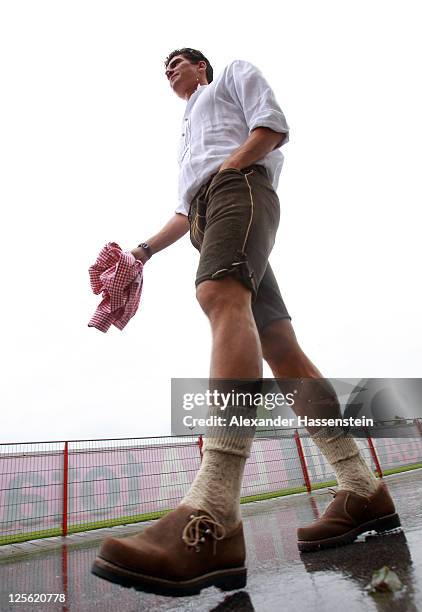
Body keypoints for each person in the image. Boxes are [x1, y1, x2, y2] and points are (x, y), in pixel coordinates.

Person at [91, 48, 400, 596]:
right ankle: (361, 489)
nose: (170, 71)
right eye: (164, 68)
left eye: (178, 63)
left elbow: (271, 124)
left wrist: (235, 168)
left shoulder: (230, 75)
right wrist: (139, 253)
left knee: (218, 294)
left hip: (240, 188)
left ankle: (213, 512)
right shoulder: (186, 131)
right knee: (280, 345)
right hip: (208, 208)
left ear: (202, 67)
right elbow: (188, 207)